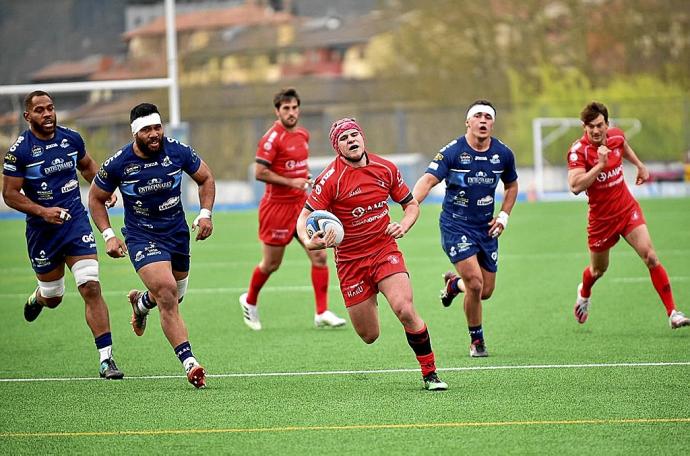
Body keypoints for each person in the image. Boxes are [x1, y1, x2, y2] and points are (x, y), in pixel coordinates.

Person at [296, 118, 448, 391]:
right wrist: (309, 241)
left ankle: (430, 373)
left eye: (355, 135)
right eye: (344, 138)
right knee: (369, 335)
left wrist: (403, 224)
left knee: (404, 308)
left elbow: (410, 204)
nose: (351, 140)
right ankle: (371, 294)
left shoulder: (386, 168)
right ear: (337, 147)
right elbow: (305, 215)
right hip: (351, 262)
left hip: (383, 249)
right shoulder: (331, 179)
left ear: (363, 138)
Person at [88, 103, 216, 388]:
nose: (154, 134)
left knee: (174, 295)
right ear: (135, 133)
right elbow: (96, 198)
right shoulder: (118, 163)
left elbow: (205, 178)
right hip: (142, 236)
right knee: (168, 293)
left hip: (177, 233)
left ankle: (141, 303)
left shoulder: (178, 151)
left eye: (157, 127)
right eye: (147, 129)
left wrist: (205, 213)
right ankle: (190, 363)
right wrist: (108, 234)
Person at [2, 90, 124, 380]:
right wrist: (43, 212)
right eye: (40, 110)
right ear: (27, 116)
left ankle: (106, 359)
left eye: (51, 108)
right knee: (54, 296)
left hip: (75, 223)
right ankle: (39, 297)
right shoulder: (19, 151)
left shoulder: (71, 138)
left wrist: (103, 190)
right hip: (43, 232)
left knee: (90, 285)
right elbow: (9, 194)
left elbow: (87, 167)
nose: (47, 114)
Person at [567, 101, 690, 329]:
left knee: (651, 257)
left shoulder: (615, 136)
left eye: (599, 125)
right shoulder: (578, 151)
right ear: (584, 127)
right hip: (601, 221)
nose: (595, 130)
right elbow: (575, 186)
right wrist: (600, 166)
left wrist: (640, 165)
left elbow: (623, 146)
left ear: (607, 124)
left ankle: (673, 313)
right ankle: (584, 292)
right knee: (598, 270)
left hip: (627, 209)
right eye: (590, 126)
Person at [412, 100, 518, 358]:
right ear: (468, 122)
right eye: (478, 116)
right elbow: (427, 180)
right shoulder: (453, 152)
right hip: (455, 225)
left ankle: (452, 286)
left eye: (488, 117)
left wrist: (503, 215)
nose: (483, 121)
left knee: (486, 291)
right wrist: (411, 204)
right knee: (475, 282)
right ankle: (477, 340)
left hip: (486, 229)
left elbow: (512, 185)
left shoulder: (502, 154)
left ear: (492, 123)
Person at [239, 88, 346, 330]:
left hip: (301, 206)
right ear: (277, 111)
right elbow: (260, 172)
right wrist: (291, 182)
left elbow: (295, 168)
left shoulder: (303, 135)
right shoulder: (271, 139)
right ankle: (250, 300)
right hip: (276, 208)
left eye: (295, 107)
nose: (291, 112)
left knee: (319, 255)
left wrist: (304, 178)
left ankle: (322, 311)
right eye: (286, 108)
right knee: (271, 264)